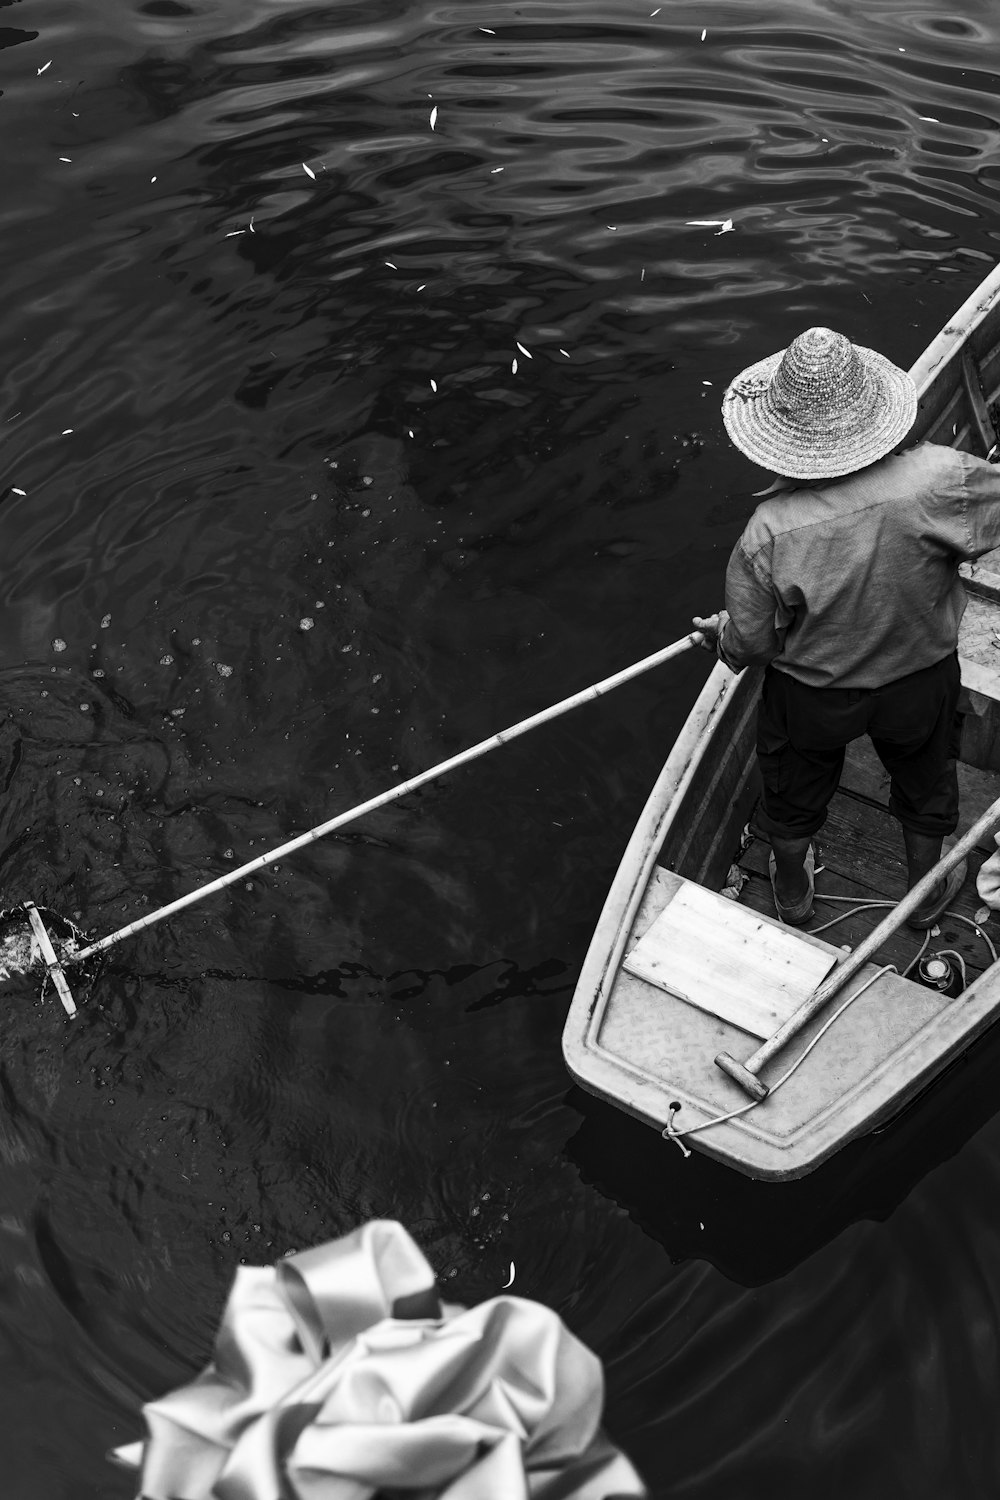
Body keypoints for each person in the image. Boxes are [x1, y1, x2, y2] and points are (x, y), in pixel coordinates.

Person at [692, 325, 1000, 927]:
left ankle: (791, 891)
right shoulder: (940, 478)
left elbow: (753, 641)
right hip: (919, 680)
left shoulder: (768, 530)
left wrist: (722, 636)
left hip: (812, 696)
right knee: (925, 778)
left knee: (791, 791)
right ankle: (924, 896)